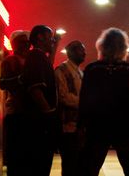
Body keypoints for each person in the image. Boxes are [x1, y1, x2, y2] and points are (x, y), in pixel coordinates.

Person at [78, 27, 129, 176]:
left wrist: (81, 126)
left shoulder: (92, 69)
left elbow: (85, 101)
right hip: (125, 126)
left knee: (90, 167)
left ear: (102, 46)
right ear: (123, 47)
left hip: (97, 126)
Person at [20, 25, 61, 176]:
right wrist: (49, 113)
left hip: (39, 121)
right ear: (40, 37)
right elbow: (35, 88)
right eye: (50, 36)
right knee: (40, 164)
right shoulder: (36, 56)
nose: (52, 39)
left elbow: (48, 65)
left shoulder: (39, 57)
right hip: (39, 122)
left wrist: (55, 46)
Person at [0, 30, 30, 176]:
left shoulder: (30, 60)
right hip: (16, 114)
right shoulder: (9, 61)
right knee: (16, 158)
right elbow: (3, 83)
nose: (27, 44)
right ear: (15, 44)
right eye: (23, 42)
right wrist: (21, 78)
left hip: (26, 114)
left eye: (27, 42)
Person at [55, 40, 86, 176]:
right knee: (69, 164)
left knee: (78, 164)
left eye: (83, 49)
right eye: (80, 49)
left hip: (79, 127)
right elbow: (63, 97)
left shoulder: (80, 72)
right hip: (67, 127)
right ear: (70, 52)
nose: (84, 52)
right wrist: (85, 103)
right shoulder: (61, 70)